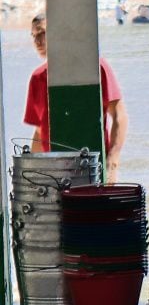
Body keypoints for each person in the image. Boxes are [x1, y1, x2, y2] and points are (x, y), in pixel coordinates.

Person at [24, 13, 128, 182]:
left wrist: (113, 161)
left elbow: (119, 115)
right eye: (34, 36)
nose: (37, 41)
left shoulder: (96, 66)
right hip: (54, 172)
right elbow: (40, 131)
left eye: (42, 33)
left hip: (92, 167)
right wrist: (32, 174)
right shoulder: (37, 78)